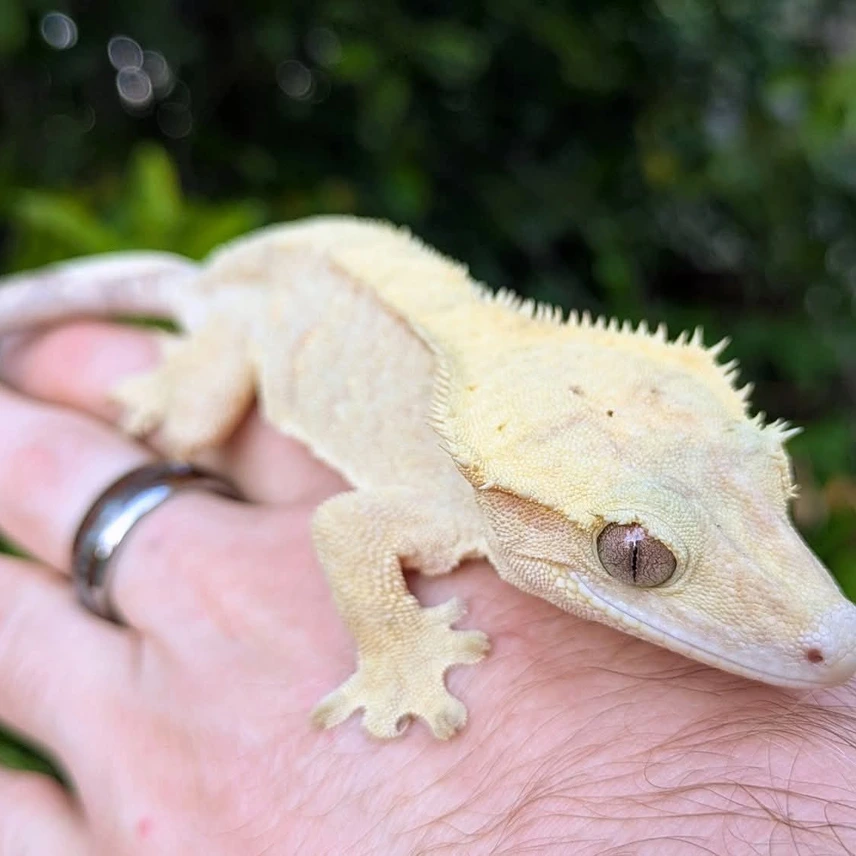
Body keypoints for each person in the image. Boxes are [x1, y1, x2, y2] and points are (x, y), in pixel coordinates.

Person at [0, 317, 853, 856]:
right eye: (635, 556)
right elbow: (347, 527)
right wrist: (392, 647)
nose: (832, 633)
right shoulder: (463, 503)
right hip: (259, 303)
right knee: (188, 427)